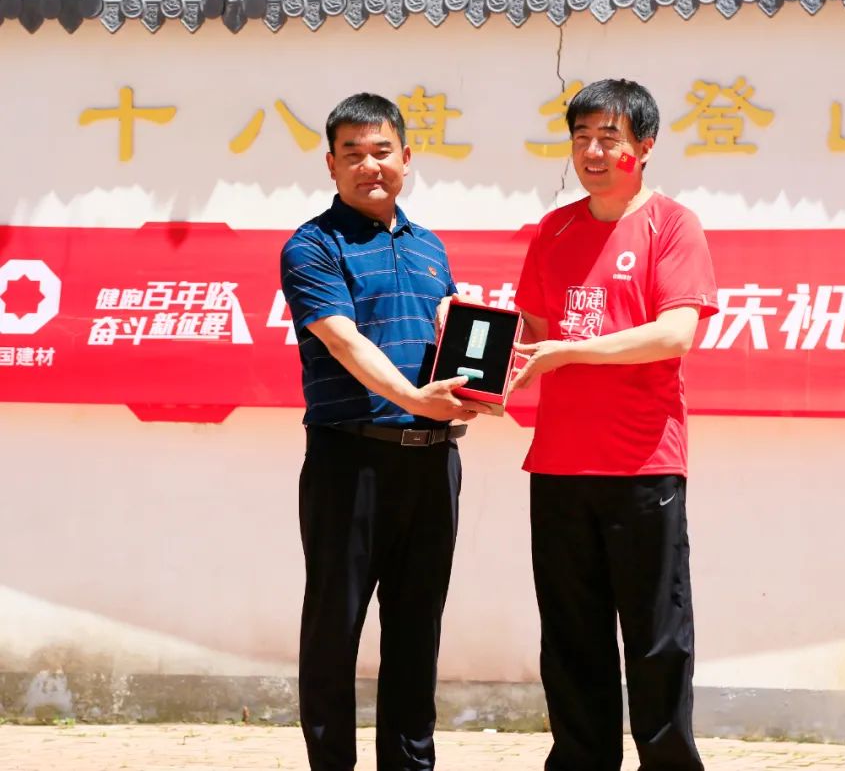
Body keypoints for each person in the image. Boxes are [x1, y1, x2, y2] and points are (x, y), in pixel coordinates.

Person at [511, 78, 719, 771]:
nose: (593, 152)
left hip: (643, 465)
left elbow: (675, 333)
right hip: (558, 466)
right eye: (582, 138)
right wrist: (475, 348)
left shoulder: (672, 224)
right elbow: (532, 337)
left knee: (657, 639)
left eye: (610, 137)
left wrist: (571, 352)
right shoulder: (554, 230)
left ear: (644, 146)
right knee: (571, 641)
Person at [280, 92, 488, 771]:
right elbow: (343, 341)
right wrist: (414, 398)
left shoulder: (429, 247)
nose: (370, 165)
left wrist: (476, 381)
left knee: (416, 628)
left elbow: (448, 343)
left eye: (382, 151)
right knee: (334, 628)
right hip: (351, 460)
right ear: (331, 164)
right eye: (353, 154)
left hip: (433, 464)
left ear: (406, 157)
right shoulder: (313, 245)